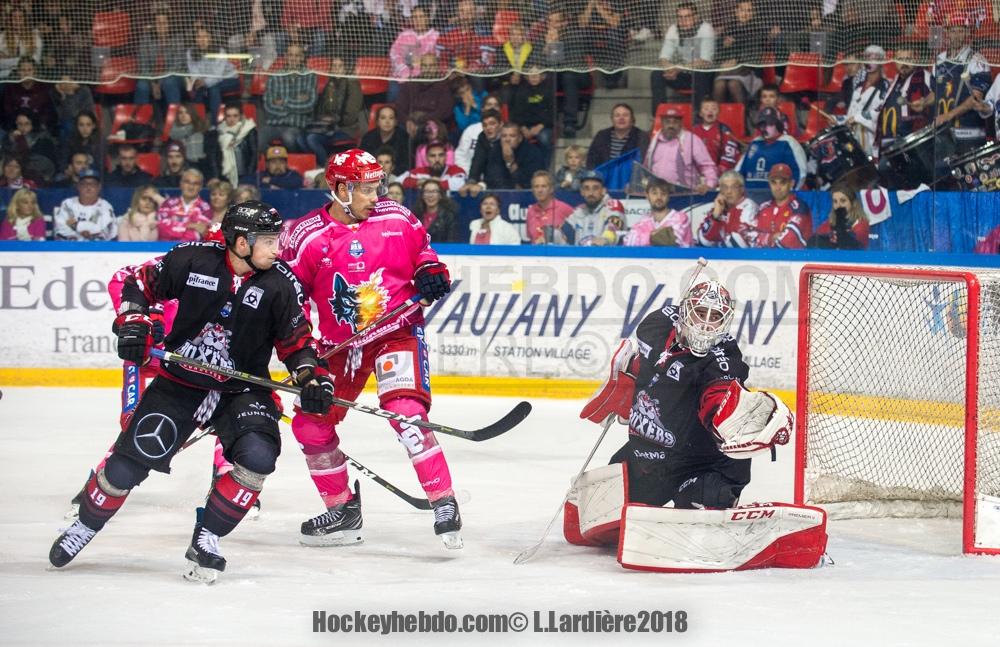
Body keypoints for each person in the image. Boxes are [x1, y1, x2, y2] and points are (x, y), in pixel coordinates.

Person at [48, 201, 334, 583]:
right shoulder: (193, 260)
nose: (277, 248)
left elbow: (297, 343)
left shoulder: (281, 284)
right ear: (242, 243)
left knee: (259, 457)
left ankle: (207, 538)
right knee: (125, 466)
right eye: (268, 240)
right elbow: (138, 283)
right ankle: (84, 525)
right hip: (182, 381)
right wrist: (134, 320)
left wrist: (312, 377)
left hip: (242, 389)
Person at [279, 149, 463, 549]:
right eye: (365, 189)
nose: (375, 196)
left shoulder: (396, 217)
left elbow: (424, 253)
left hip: (396, 331)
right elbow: (290, 303)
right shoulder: (306, 236)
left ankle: (443, 501)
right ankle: (342, 510)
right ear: (341, 189)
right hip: (338, 346)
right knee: (309, 422)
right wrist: (303, 358)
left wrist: (430, 270)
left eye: (377, 187)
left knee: (406, 412)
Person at [575, 274, 795, 568]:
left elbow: (717, 395)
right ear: (685, 310)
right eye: (701, 312)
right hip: (651, 458)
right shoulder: (655, 325)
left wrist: (731, 417)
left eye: (715, 317)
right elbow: (645, 357)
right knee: (603, 517)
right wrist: (628, 376)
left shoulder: (723, 360)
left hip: (705, 465)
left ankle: (713, 500)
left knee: (697, 512)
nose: (706, 324)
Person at [821, 45, 890, 157]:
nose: (870, 62)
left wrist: (858, 118)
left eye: (874, 59)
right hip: (857, 138)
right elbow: (851, 115)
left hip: (874, 142)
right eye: (867, 58)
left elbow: (880, 115)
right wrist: (836, 119)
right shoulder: (856, 87)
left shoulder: (885, 86)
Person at [651, 2, 716, 112]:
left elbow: (706, 61)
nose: (683, 21)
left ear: (696, 17)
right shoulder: (673, 29)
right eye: (680, 17)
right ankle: (659, 113)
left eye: (687, 16)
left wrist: (679, 68)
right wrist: (669, 68)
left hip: (706, 74)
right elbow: (663, 57)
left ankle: (698, 115)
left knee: (700, 74)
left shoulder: (706, 29)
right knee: (656, 74)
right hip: (684, 73)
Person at [644, 107, 718, 193]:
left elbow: (708, 167)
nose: (671, 126)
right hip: (658, 194)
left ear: (680, 123)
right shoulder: (654, 141)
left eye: (675, 122)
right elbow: (646, 168)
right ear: (662, 123)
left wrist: (709, 185)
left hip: (684, 194)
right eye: (667, 122)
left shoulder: (692, 140)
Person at [877, 47, 934, 155]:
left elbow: (937, 94)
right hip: (892, 145)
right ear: (894, 61)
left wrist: (925, 102)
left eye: (908, 59)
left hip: (914, 145)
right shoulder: (894, 82)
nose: (904, 63)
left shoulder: (925, 77)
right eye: (900, 59)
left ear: (916, 59)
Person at [736, 107, 808, 190]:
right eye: (762, 125)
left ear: (778, 125)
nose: (765, 128)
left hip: (777, 195)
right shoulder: (755, 143)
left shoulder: (789, 143)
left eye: (770, 124)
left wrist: (788, 194)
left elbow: (800, 173)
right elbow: (738, 171)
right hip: (750, 194)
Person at [262, 43, 317, 151]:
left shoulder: (310, 76)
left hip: (296, 125)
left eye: (297, 55)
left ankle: (292, 162)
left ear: (302, 57)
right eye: (291, 55)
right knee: (259, 139)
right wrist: (296, 102)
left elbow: (309, 105)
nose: (293, 58)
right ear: (286, 56)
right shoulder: (275, 76)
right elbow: (268, 106)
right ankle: (271, 161)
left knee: (289, 138)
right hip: (275, 124)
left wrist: (284, 102)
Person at [560, 170, 626, 246]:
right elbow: (563, 234)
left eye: (595, 188)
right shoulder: (579, 212)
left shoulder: (613, 206)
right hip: (581, 253)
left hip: (606, 252)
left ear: (603, 191)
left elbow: (613, 230)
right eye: (586, 188)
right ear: (582, 192)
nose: (591, 193)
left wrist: (605, 240)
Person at [753, 163, 812, 248]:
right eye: (774, 182)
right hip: (761, 256)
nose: (778, 187)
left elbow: (788, 241)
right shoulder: (763, 207)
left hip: (793, 256)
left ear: (791, 183)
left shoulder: (799, 208)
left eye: (782, 182)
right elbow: (749, 238)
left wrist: (763, 238)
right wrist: (772, 237)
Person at [696, 170, 759, 247]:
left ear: (742, 189)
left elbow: (740, 243)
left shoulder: (749, 206)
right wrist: (715, 216)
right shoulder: (719, 206)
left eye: (733, 187)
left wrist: (717, 242)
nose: (729, 192)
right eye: (725, 187)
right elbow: (703, 242)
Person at [623, 177, 691, 247]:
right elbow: (628, 242)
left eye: (663, 193)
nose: (659, 197)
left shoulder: (680, 218)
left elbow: (672, 240)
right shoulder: (643, 221)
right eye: (654, 193)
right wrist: (651, 237)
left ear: (668, 197)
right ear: (647, 195)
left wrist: (645, 237)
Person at [53, 169, 117, 241]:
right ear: (78, 186)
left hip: (96, 247)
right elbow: (60, 228)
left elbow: (105, 232)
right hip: (70, 246)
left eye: (93, 184)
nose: (88, 187)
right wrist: (85, 232)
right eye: (84, 184)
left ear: (99, 187)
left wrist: (75, 226)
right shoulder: (68, 204)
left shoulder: (105, 206)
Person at [586, 104, 650, 169]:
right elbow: (591, 161)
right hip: (602, 174)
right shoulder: (602, 135)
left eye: (625, 115)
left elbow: (642, 162)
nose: (621, 118)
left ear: (632, 119)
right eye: (617, 115)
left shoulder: (641, 137)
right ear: (612, 119)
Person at [157, 169, 212, 241]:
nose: (191, 187)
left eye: (195, 184)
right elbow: (162, 230)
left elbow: (195, 236)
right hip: (165, 246)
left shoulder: (205, 208)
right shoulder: (168, 204)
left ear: (200, 187)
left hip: (191, 247)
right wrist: (189, 226)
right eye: (187, 182)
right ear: (181, 184)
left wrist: (174, 226)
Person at [810, 185, 869, 250]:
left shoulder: (861, 224)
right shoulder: (830, 222)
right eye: (835, 201)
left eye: (843, 201)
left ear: (853, 203)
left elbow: (851, 245)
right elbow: (813, 241)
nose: (838, 205)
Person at [691, 98, 741, 173]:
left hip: (718, 172)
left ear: (719, 112)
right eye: (706, 109)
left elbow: (730, 155)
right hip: (696, 172)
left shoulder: (724, 130)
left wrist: (719, 170)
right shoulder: (694, 131)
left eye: (714, 109)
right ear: (700, 113)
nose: (710, 111)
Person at [215, 103, 259, 187]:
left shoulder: (249, 129)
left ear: (241, 116)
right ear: (225, 117)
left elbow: (254, 153)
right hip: (224, 174)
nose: (232, 119)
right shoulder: (219, 131)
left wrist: (249, 173)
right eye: (228, 116)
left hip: (244, 173)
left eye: (235, 116)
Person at [526, 170, 574, 244]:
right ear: (533, 190)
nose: (540, 190)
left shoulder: (564, 208)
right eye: (536, 186)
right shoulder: (530, 211)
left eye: (543, 186)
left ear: (551, 189)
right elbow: (531, 237)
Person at [361, 105, 412, 173]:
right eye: (383, 118)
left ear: (396, 121)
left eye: (391, 118)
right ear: (377, 122)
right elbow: (362, 162)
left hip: (397, 176)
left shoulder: (404, 137)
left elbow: (407, 165)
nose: (387, 121)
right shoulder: (368, 138)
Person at [400, 142, 468, 192]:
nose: (437, 159)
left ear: (446, 157)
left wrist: (425, 183)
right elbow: (400, 180)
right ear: (427, 158)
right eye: (432, 156)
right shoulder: (419, 171)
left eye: (441, 155)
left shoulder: (456, 170)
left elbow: (459, 184)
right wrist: (422, 181)